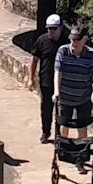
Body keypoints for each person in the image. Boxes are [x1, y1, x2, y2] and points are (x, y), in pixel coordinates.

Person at [54, 25, 93, 167]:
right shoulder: (63, 51)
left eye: (77, 40)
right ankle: (64, 153)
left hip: (83, 97)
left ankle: (81, 158)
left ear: (84, 40)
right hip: (65, 96)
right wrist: (57, 91)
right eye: (72, 40)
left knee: (82, 126)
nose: (74, 43)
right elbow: (58, 72)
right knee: (64, 124)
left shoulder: (91, 55)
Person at [28, 13, 65, 142]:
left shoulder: (66, 42)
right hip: (46, 80)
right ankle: (45, 131)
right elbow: (34, 60)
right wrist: (31, 78)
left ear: (60, 28)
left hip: (63, 82)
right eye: (49, 28)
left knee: (62, 110)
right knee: (46, 108)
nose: (51, 31)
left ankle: (59, 135)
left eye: (54, 28)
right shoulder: (42, 40)